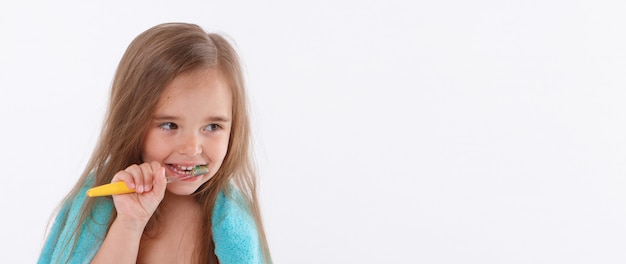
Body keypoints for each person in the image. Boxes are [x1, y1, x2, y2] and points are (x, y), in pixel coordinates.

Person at [37, 22, 272, 263]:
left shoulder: (232, 222)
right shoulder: (100, 212)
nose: (192, 148)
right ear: (131, 122)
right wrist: (130, 222)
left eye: (212, 127)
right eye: (169, 125)